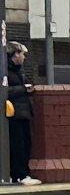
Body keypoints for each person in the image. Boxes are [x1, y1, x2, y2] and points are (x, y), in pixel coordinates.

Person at [6, 44, 37, 185]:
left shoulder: (18, 72)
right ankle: (19, 175)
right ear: (15, 55)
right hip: (14, 114)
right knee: (17, 146)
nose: (24, 57)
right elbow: (5, 91)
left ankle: (23, 174)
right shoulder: (5, 72)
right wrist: (23, 89)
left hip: (23, 113)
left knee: (25, 144)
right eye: (22, 54)